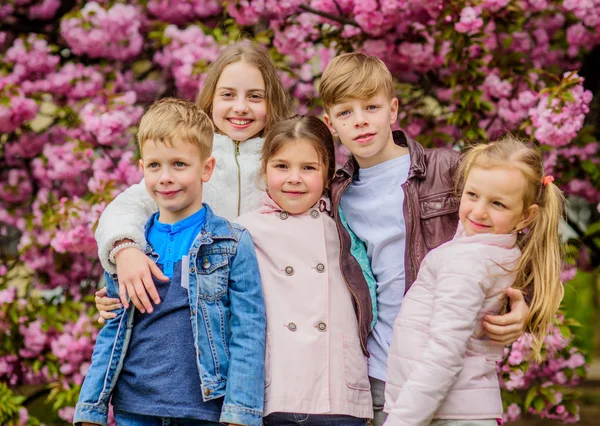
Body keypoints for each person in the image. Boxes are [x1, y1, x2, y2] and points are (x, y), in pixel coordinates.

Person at [319, 53, 531, 426]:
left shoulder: (447, 170)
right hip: (382, 371)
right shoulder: (336, 194)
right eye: (345, 112)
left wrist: (526, 304)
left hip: (452, 364)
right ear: (331, 123)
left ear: (393, 109)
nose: (361, 120)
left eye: (372, 106)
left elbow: (517, 234)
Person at [73, 98, 266, 426]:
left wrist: (241, 414)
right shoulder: (131, 249)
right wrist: (90, 409)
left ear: (206, 168)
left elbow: (248, 330)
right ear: (142, 168)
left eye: (179, 164)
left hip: (203, 409)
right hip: (134, 408)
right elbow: (113, 330)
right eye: (155, 166)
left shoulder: (232, 243)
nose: (165, 177)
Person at [93, 41, 293, 314]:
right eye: (228, 95)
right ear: (211, 100)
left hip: (268, 309)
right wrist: (125, 250)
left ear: (272, 102)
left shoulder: (284, 163)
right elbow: (128, 206)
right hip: (199, 314)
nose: (241, 107)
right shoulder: (190, 160)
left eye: (255, 97)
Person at [383, 136, 565, 426]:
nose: (479, 211)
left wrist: (401, 421)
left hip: (444, 413)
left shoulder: (466, 263)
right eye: (471, 195)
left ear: (525, 217)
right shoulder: (495, 251)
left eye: (498, 204)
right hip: (461, 409)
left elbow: (444, 354)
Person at [236, 116, 373, 425]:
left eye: (308, 168)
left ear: (327, 175)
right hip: (277, 388)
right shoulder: (244, 230)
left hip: (338, 391)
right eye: (282, 166)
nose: (294, 178)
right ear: (265, 169)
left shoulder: (345, 227)